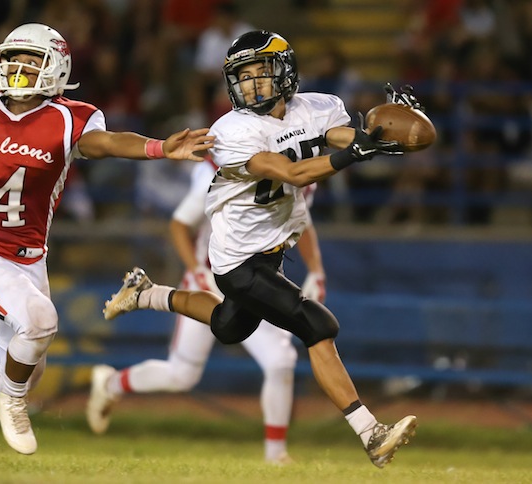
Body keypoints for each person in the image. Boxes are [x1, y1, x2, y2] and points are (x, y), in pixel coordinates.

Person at [103, 30, 417, 468]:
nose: (250, 84)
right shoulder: (233, 129)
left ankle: (146, 293)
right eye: (242, 76)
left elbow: (342, 136)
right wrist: (357, 153)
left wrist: (376, 135)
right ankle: (370, 432)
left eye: (259, 73)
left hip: (271, 250)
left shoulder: (319, 106)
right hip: (236, 259)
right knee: (317, 325)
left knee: (229, 326)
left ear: (284, 71)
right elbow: (291, 173)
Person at [0, 23, 213, 469]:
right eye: (14, 58)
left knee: (30, 368)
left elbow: (109, 143)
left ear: (56, 68)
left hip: (31, 259)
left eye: (32, 60)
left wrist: (159, 147)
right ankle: (11, 404)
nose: (19, 68)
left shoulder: (69, 118)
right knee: (40, 323)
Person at [87, 156, 326, 464]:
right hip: (211, 283)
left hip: (256, 284)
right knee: (181, 375)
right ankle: (110, 384)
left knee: (280, 360)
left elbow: (302, 219)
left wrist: (317, 270)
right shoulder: (225, 176)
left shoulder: (294, 178)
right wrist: (197, 270)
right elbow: (179, 224)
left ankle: (276, 454)